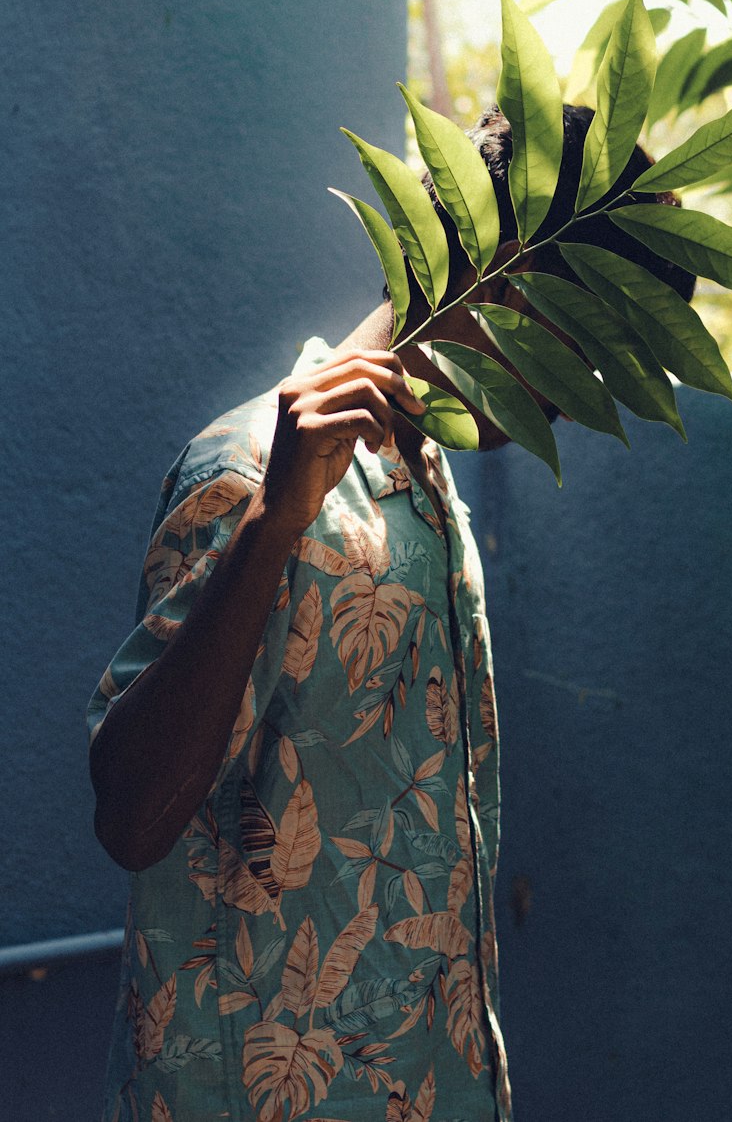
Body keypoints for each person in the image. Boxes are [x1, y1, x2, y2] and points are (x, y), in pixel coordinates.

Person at [88, 104, 694, 1122]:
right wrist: (274, 526)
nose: (584, 396)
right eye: (591, 350)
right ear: (507, 273)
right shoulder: (248, 475)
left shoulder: (427, 478)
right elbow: (130, 818)